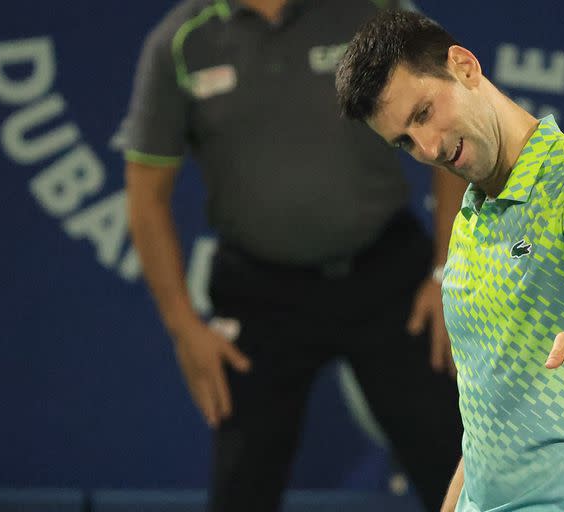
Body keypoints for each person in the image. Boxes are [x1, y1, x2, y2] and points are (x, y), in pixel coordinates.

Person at [122, 1, 466, 511]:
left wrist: (446, 272)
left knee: (459, 470)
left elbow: (451, 125)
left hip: (386, 277)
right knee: (241, 489)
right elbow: (146, 197)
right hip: (260, 293)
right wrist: (182, 326)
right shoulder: (181, 42)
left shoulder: (374, 12)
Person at [336, 10, 564, 512]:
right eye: (403, 141)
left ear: (465, 66)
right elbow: (488, 427)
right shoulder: (467, 226)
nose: (426, 149)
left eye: (423, 112)